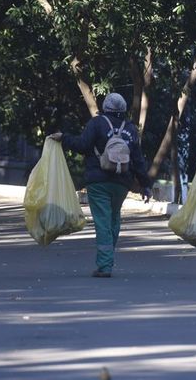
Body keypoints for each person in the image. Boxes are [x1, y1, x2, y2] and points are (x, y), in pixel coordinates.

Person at [49, 92, 153, 278]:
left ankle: (105, 265)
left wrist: (64, 138)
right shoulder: (130, 129)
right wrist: (146, 185)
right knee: (113, 218)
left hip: (98, 181)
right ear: (123, 110)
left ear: (106, 107)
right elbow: (138, 160)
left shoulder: (97, 124)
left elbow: (82, 145)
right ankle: (108, 258)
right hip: (122, 183)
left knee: (103, 221)